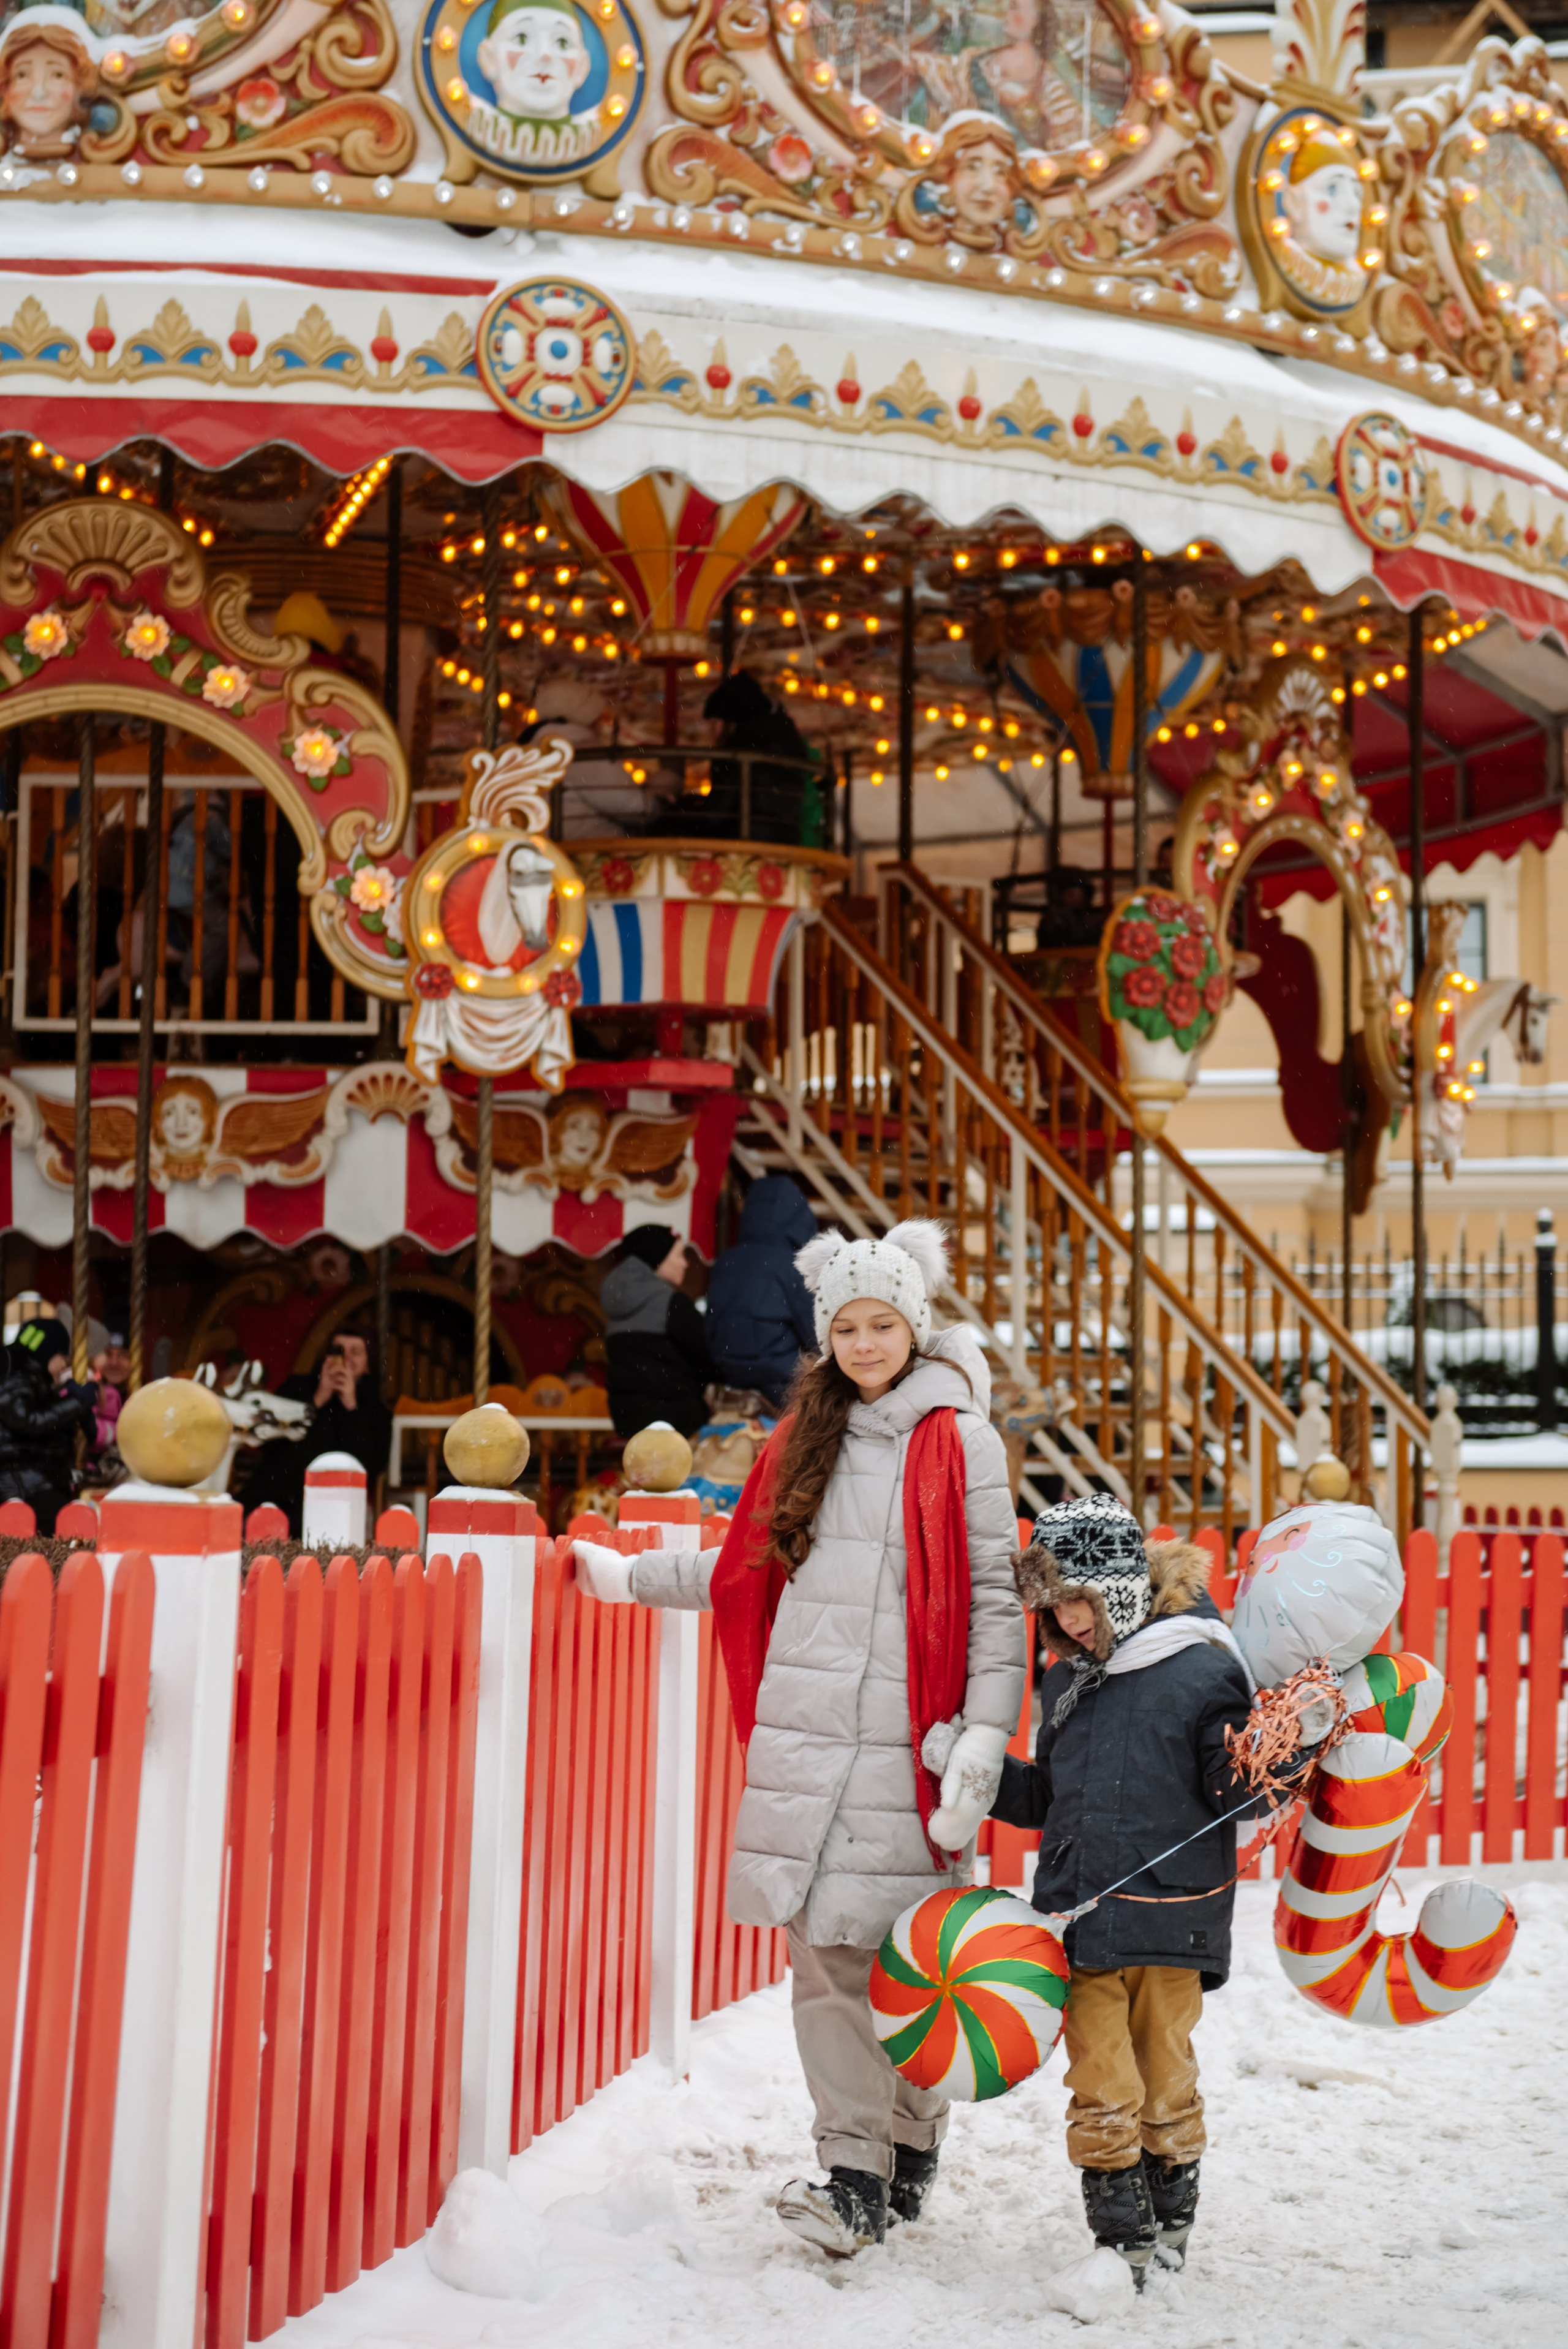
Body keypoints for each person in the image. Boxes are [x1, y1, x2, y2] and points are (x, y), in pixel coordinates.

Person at [574, 1221, 1024, 2255]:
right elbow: (746, 1570)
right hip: (804, 1750)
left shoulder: (961, 1441)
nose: (865, 1343)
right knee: (825, 1964)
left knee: (905, 1963)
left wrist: (984, 1738)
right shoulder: (801, 1438)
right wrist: (631, 1578)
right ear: (826, 1336)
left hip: (911, 1749)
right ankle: (855, 2173)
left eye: (884, 1323)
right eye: (848, 1327)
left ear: (917, 1325)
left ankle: (911, 2140)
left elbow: (998, 1600)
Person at [991, 1495, 1323, 2287]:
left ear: (1120, 1585)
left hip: (1175, 1917)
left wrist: (1271, 1751)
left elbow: (1234, 1789)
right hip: (1082, 1917)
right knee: (1101, 2081)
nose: (1070, 1618)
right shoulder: (1067, 1678)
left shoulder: (1203, 1665)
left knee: (1165, 2073)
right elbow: (1052, 1798)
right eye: (1054, 1603)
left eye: (1082, 1597)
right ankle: (1122, 2235)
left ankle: (1173, 2216)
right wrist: (981, 1777)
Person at [239, 1328, 391, 1534]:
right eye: (338, 1350)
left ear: (368, 1365)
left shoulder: (376, 1410)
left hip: (335, 1502)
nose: (345, 1358)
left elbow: (372, 1463)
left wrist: (350, 1406)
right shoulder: (296, 1388)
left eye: (355, 1352)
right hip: (277, 1490)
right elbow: (269, 1439)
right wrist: (318, 1399)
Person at [704, 1175, 818, 1409]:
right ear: (798, 1216)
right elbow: (815, 1333)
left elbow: (711, 1324)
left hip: (732, 1378)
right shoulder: (792, 1265)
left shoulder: (727, 1261)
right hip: (782, 1383)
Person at [600, 1224, 712, 1439]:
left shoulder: (615, 1307)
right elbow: (708, 1356)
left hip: (628, 1421)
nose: (686, 1263)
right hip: (676, 1423)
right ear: (658, 1258)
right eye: (679, 1255)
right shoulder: (673, 1304)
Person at [0, 1315, 96, 1533]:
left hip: (30, 1479)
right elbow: (28, 1422)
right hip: (22, 1484)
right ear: (46, 1354)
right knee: (62, 1527)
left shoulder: (30, 1380)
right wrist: (77, 1403)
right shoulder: (16, 1378)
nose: (63, 1364)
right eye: (61, 1355)